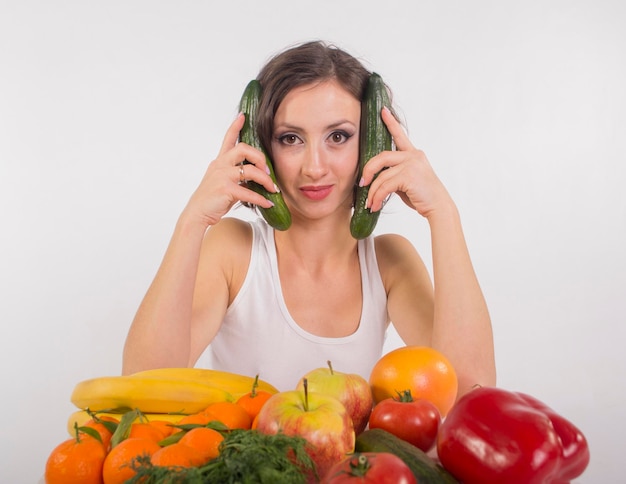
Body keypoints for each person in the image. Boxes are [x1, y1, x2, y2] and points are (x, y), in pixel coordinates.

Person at [122, 40, 496, 395]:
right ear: (260, 146)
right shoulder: (233, 251)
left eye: (338, 136)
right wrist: (192, 221)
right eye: (290, 139)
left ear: (371, 143)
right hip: (246, 465)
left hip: (351, 466)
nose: (315, 167)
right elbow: (144, 388)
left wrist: (443, 215)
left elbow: (469, 391)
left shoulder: (390, 263)